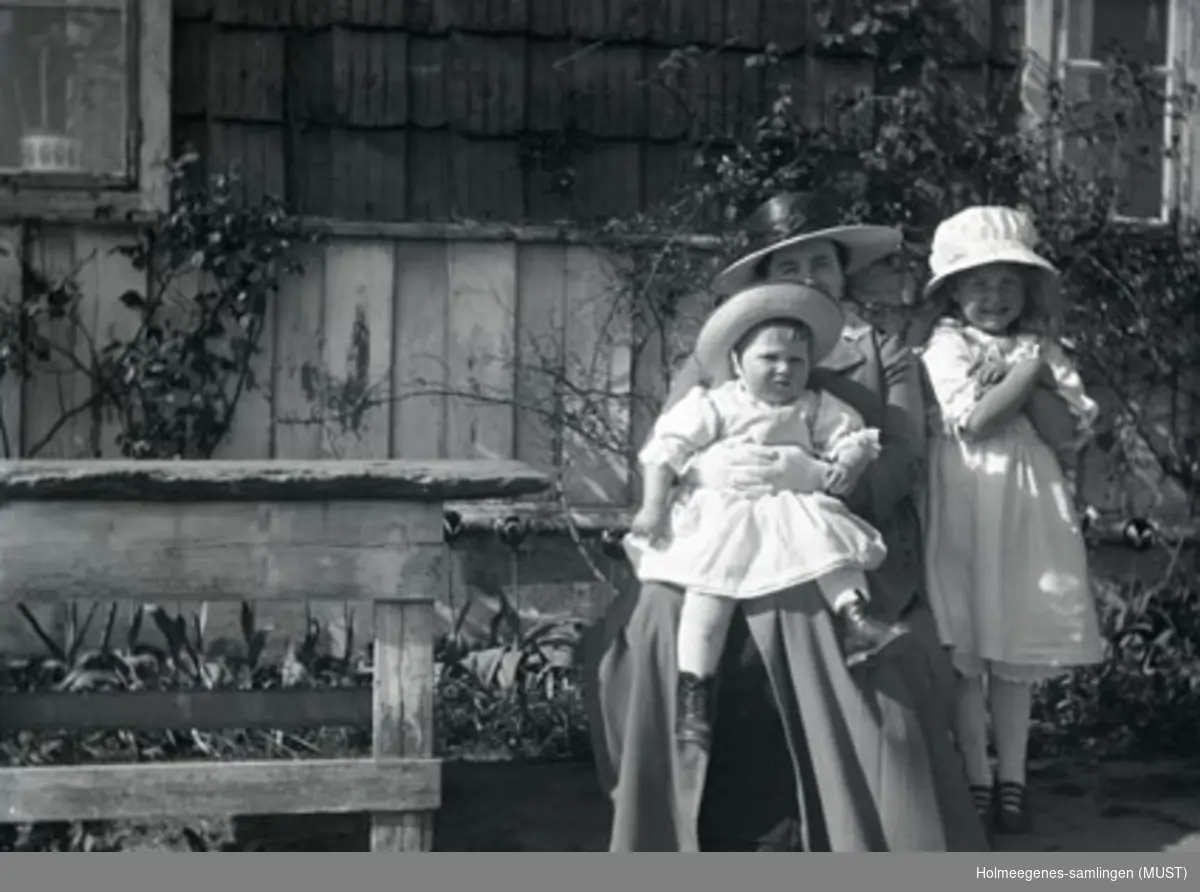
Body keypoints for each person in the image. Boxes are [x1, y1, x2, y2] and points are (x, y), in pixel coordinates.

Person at [585, 191, 989, 852]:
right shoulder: (722, 354)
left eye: (820, 264)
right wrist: (709, 476)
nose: (807, 278)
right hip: (717, 538)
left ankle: (832, 824)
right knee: (656, 620)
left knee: (827, 629)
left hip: (833, 536)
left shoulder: (885, 351)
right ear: (762, 282)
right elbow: (672, 440)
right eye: (788, 266)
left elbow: (903, 463)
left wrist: (820, 479)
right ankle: (688, 814)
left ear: (841, 273)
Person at [626, 282, 908, 759]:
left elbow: (854, 438)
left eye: (796, 362)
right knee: (707, 593)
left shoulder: (814, 405)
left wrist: (843, 464)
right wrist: (653, 506)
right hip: (723, 512)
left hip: (790, 508)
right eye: (769, 358)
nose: (783, 370)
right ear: (737, 361)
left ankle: (856, 618)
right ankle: (695, 688)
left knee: (831, 546)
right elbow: (666, 450)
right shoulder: (715, 403)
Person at [918, 205, 1105, 837]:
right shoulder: (945, 347)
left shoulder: (1044, 350)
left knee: (1014, 641)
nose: (992, 297)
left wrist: (1026, 372)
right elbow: (976, 419)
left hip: (1026, 502)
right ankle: (975, 771)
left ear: (1027, 290)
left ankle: (1014, 778)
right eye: (977, 283)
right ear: (953, 291)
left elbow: (1064, 434)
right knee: (968, 642)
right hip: (970, 492)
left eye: (1006, 282)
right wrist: (1031, 376)